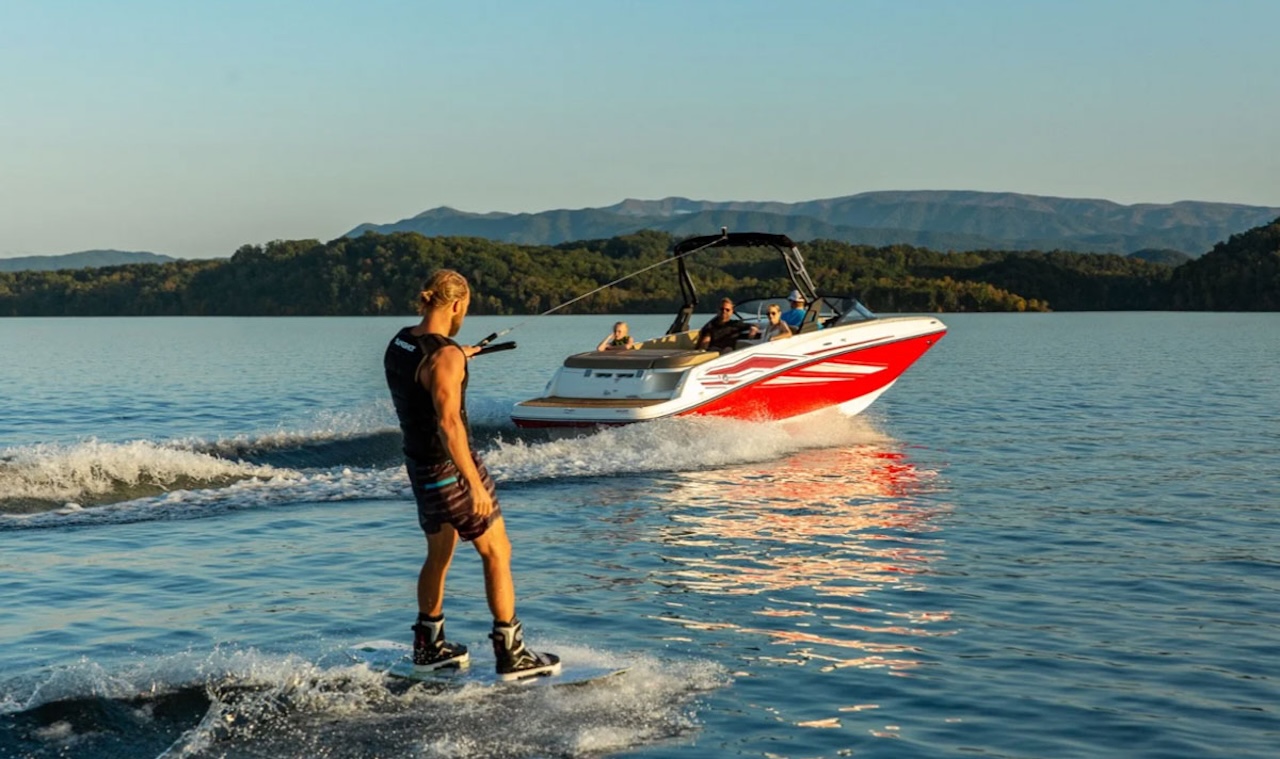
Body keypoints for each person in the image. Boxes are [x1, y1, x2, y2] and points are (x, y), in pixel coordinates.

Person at [383, 269, 560, 681]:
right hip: (450, 468)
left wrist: (458, 355)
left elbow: (427, 370)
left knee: (439, 553)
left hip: (419, 464)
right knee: (497, 551)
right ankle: (511, 654)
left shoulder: (402, 341)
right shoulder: (444, 357)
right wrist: (474, 483)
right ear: (458, 305)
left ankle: (429, 644)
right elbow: (450, 425)